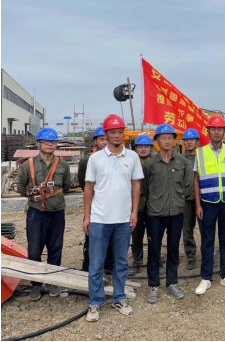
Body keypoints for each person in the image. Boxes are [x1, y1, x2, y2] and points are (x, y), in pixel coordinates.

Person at [83, 114, 143, 322]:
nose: (117, 135)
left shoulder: (132, 157)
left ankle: (119, 297)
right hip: (100, 219)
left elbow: (136, 185)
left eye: (120, 132)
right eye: (113, 132)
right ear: (106, 134)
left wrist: (134, 212)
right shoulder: (95, 159)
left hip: (123, 220)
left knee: (121, 262)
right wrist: (87, 216)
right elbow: (88, 188)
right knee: (96, 263)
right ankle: (95, 302)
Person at [17, 127, 71, 301]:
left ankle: (53, 281)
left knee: (55, 248)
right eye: (46, 142)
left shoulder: (63, 165)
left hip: (57, 212)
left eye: (53, 142)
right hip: (36, 213)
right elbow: (21, 188)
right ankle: (36, 283)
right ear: (39, 144)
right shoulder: (28, 165)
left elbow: (66, 186)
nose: (50, 144)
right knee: (34, 249)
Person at [194, 114, 225, 295]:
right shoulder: (200, 152)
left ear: (224, 131)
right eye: (213, 129)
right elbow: (195, 179)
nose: (216, 132)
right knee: (207, 240)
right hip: (207, 203)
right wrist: (198, 205)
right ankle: (206, 277)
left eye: (219, 129)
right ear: (208, 131)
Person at [143, 124, 188, 303]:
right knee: (154, 249)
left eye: (170, 137)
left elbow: (186, 186)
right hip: (155, 212)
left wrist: (178, 200)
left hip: (176, 211)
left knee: (173, 248)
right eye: (163, 138)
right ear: (157, 141)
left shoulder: (182, 162)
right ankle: (153, 285)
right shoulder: (150, 164)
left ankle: (172, 282)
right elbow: (145, 188)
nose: (167, 141)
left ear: (174, 140)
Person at [79, 127, 113, 274]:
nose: (105, 142)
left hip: (112, 205)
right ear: (95, 141)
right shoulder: (87, 161)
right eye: (101, 139)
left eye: (106, 139)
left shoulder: (116, 158)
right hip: (95, 204)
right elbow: (84, 184)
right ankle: (88, 267)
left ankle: (109, 266)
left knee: (112, 237)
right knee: (92, 237)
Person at [128, 134, 162, 276]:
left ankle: (157, 263)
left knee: (155, 237)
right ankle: (137, 263)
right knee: (137, 237)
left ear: (151, 148)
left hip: (154, 206)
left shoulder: (157, 163)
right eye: (140, 146)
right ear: (136, 148)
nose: (143, 149)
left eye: (146, 146)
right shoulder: (130, 163)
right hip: (137, 207)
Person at [182, 128, 201, 270]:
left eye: (192, 139)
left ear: (197, 141)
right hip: (185, 200)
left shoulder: (203, 157)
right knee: (187, 229)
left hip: (202, 199)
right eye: (186, 140)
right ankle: (190, 257)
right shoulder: (179, 159)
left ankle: (208, 255)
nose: (189, 142)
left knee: (206, 229)